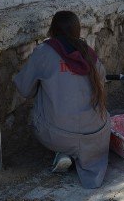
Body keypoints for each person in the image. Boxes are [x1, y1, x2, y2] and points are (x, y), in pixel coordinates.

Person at [14, 11, 110, 189]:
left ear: (52, 30)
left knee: (41, 100)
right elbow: (102, 82)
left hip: (59, 136)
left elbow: (24, 89)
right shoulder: (89, 53)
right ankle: (75, 156)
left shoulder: (44, 52)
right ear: (78, 30)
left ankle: (65, 153)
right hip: (98, 136)